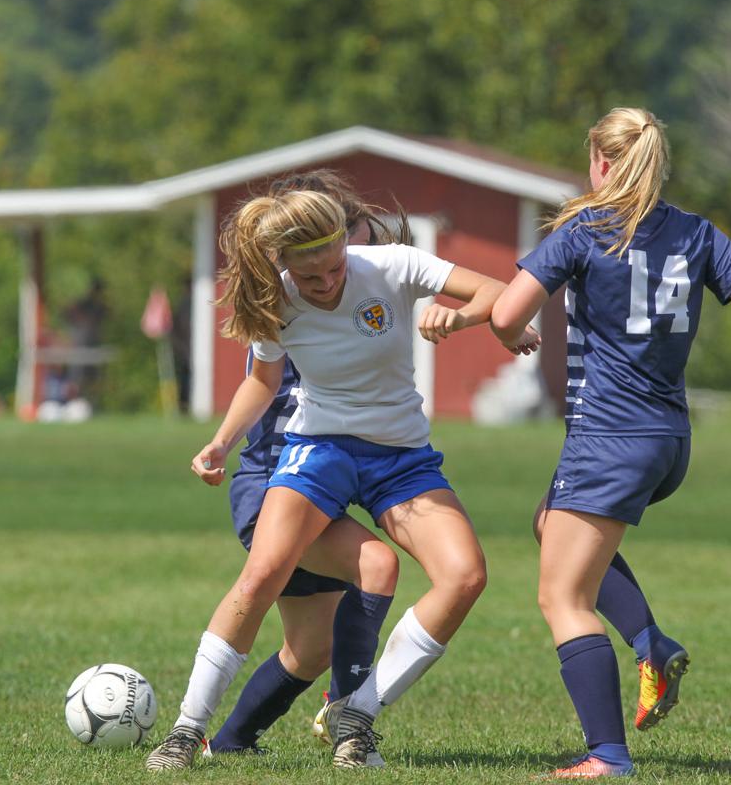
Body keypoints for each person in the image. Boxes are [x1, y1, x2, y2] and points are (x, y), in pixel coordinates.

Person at [146, 189, 541, 771]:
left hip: (401, 457)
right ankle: (186, 733)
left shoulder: (394, 265)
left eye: (335, 267)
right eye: (311, 276)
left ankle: (356, 716)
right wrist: (221, 442)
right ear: (286, 266)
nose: (327, 282)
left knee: (464, 576)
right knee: (263, 572)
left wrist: (457, 317)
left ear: (345, 247)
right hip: (319, 450)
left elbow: (499, 293)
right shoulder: (275, 299)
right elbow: (262, 381)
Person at [489, 107, 731, 779]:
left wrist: (507, 333)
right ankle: (652, 644)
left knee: (562, 599)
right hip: (669, 440)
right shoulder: (696, 232)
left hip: (608, 439)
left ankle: (607, 755)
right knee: (547, 523)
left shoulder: (584, 230)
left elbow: (506, 312)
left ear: (603, 163)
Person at [205, 171, 408, 760]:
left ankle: (231, 741)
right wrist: (220, 442)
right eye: (349, 251)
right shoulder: (292, 306)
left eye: (358, 252)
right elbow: (262, 386)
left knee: (312, 645)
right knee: (373, 564)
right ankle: (348, 730)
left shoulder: (357, 294)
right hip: (274, 481)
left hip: (321, 484)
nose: (352, 269)